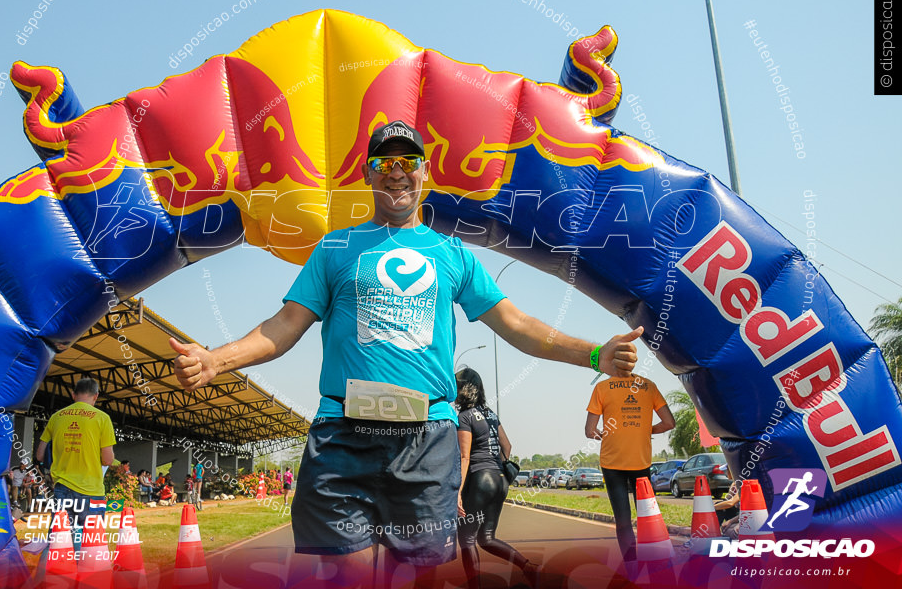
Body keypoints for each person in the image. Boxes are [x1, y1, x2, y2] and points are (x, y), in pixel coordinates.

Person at [171, 121, 642, 587]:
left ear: (425, 171)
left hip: (427, 441)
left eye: (408, 162)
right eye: (385, 162)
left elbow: (518, 325)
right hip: (342, 438)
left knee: (416, 579)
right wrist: (216, 359)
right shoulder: (335, 248)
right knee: (346, 579)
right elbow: (282, 327)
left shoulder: (453, 255)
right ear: (368, 174)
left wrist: (595, 354)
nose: (397, 173)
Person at [454, 368, 537, 589]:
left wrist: (458, 493)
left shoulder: (464, 417)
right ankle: (529, 567)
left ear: (463, 389)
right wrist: (496, 465)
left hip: (481, 479)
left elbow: (464, 457)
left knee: (467, 540)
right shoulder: (490, 414)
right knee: (487, 538)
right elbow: (507, 446)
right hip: (500, 479)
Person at [585, 373, 675, 563]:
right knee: (647, 517)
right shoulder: (649, 386)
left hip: (612, 462)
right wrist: (644, 429)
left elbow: (590, 430)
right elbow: (669, 423)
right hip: (641, 462)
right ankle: (655, 564)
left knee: (623, 521)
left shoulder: (602, 387)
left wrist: (606, 435)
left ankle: (632, 569)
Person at [35, 377, 116, 551]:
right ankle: (87, 576)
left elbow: (40, 455)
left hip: (62, 488)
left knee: (58, 540)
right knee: (92, 542)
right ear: (96, 396)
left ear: (73, 395)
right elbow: (108, 460)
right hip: (91, 490)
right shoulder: (102, 418)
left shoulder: (56, 417)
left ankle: (50, 575)